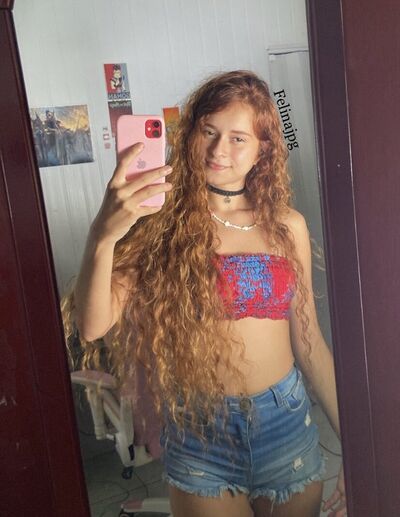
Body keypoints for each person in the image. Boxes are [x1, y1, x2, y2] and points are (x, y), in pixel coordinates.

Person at [68, 71, 347, 517]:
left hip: (284, 420)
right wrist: (103, 234)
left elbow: (310, 344)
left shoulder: (286, 226)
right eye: (209, 131)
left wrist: (354, 443)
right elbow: (92, 324)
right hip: (200, 432)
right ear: (190, 135)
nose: (219, 150)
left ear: (263, 149)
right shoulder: (157, 225)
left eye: (238, 138)